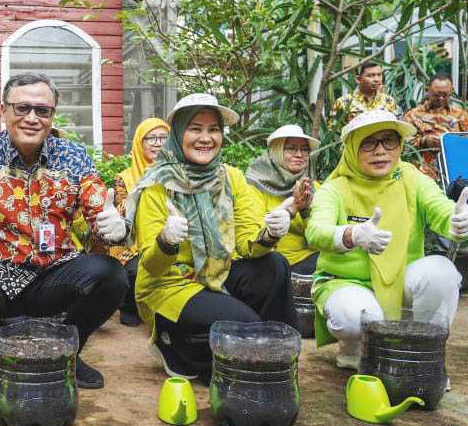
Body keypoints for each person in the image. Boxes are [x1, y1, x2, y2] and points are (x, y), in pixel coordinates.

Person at [0, 73, 128, 389]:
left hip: (56, 272)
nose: (32, 118)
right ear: (3, 111)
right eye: (22, 108)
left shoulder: (73, 156)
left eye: (43, 110)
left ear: (52, 115)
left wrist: (116, 228)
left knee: (112, 275)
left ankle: (66, 352)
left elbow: (99, 214)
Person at [129, 93, 299, 383]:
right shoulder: (157, 185)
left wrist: (270, 233)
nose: (205, 138)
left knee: (274, 266)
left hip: (217, 272)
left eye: (214, 129)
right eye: (195, 128)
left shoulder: (231, 178)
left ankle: (274, 363)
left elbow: (248, 244)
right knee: (246, 327)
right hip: (171, 284)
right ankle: (177, 344)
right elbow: (151, 267)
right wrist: (166, 240)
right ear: (179, 133)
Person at [305, 109, 464, 370]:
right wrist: (351, 234)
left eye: (389, 140)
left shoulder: (411, 178)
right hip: (348, 283)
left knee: (442, 273)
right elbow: (316, 231)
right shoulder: (335, 188)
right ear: (353, 148)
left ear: (399, 145)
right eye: (369, 142)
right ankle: (355, 345)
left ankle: (422, 355)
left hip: (402, 281)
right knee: (357, 317)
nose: (380, 151)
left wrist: (456, 221)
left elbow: (440, 208)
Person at [109, 117, 170, 326]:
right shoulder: (125, 178)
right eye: (150, 138)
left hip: (167, 236)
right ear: (139, 143)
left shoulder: (179, 173)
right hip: (132, 243)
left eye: (163, 137)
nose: (158, 142)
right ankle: (131, 305)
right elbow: (121, 217)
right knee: (135, 268)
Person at [246, 124, 321, 274]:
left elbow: (319, 240)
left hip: (304, 258)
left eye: (304, 150)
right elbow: (252, 237)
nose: (299, 155)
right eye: (291, 148)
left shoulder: (312, 187)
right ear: (277, 151)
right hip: (268, 260)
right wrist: (292, 209)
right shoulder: (254, 185)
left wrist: (305, 210)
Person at [403, 73, 468, 180]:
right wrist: (424, 141)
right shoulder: (412, 115)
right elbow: (404, 145)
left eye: (445, 94)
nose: (441, 98)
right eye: (437, 94)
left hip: (454, 171)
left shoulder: (461, 115)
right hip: (422, 173)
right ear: (428, 90)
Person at [330, 62, 397, 128]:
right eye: (370, 75)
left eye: (379, 75)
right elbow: (332, 130)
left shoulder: (389, 101)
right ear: (358, 79)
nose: (377, 79)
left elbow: (395, 127)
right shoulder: (342, 102)